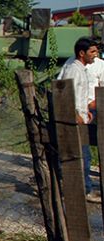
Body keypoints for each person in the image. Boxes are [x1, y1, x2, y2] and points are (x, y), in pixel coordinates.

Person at [59, 37, 100, 203]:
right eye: (92, 52)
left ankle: (83, 189)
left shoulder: (81, 69)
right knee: (80, 157)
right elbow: (66, 94)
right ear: (82, 53)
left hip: (81, 118)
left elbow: (80, 95)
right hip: (73, 122)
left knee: (84, 156)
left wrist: (85, 112)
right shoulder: (73, 70)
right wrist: (76, 115)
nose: (95, 55)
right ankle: (82, 191)